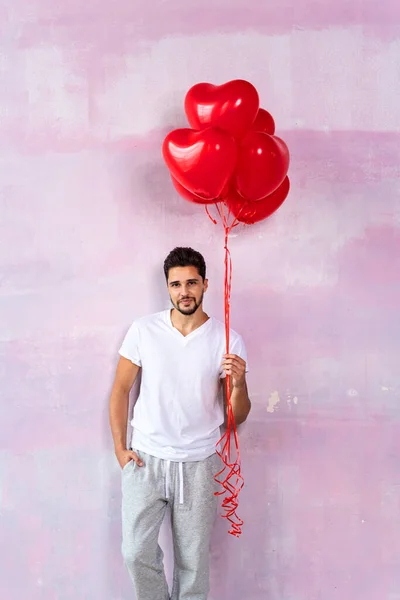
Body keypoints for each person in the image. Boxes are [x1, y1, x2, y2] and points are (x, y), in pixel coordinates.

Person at [109, 246, 251, 600]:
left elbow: (237, 419)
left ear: (205, 285)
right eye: (176, 285)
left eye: (191, 283)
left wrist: (241, 382)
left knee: (193, 564)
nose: (184, 291)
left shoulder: (227, 339)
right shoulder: (143, 330)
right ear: (167, 287)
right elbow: (121, 389)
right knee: (135, 552)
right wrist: (120, 449)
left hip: (199, 464)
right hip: (145, 459)